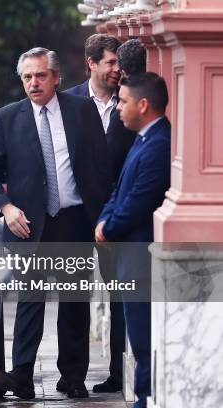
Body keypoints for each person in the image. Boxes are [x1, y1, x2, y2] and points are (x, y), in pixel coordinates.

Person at [0, 47, 110, 399]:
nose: (33, 83)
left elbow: (101, 165)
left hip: (74, 221)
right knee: (30, 299)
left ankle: (72, 378)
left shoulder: (83, 111)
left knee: (74, 302)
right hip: (28, 224)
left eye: (39, 76)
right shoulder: (6, 118)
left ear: (55, 77)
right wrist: (5, 207)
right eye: (26, 77)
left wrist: (104, 217)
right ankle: (21, 376)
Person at [65, 35, 144, 394]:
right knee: (74, 295)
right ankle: (71, 375)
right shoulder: (69, 102)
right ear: (91, 63)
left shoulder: (129, 101)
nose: (117, 69)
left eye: (119, 64)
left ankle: (117, 371)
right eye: (111, 63)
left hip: (115, 216)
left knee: (119, 293)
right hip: (77, 213)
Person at [95, 72, 171, 408]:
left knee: (143, 341)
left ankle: (144, 401)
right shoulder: (142, 138)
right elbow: (119, 190)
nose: (119, 108)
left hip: (141, 261)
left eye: (123, 101)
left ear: (143, 105)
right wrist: (103, 219)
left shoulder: (160, 143)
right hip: (129, 259)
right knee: (138, 339)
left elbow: (141, 199)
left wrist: (109, 229)